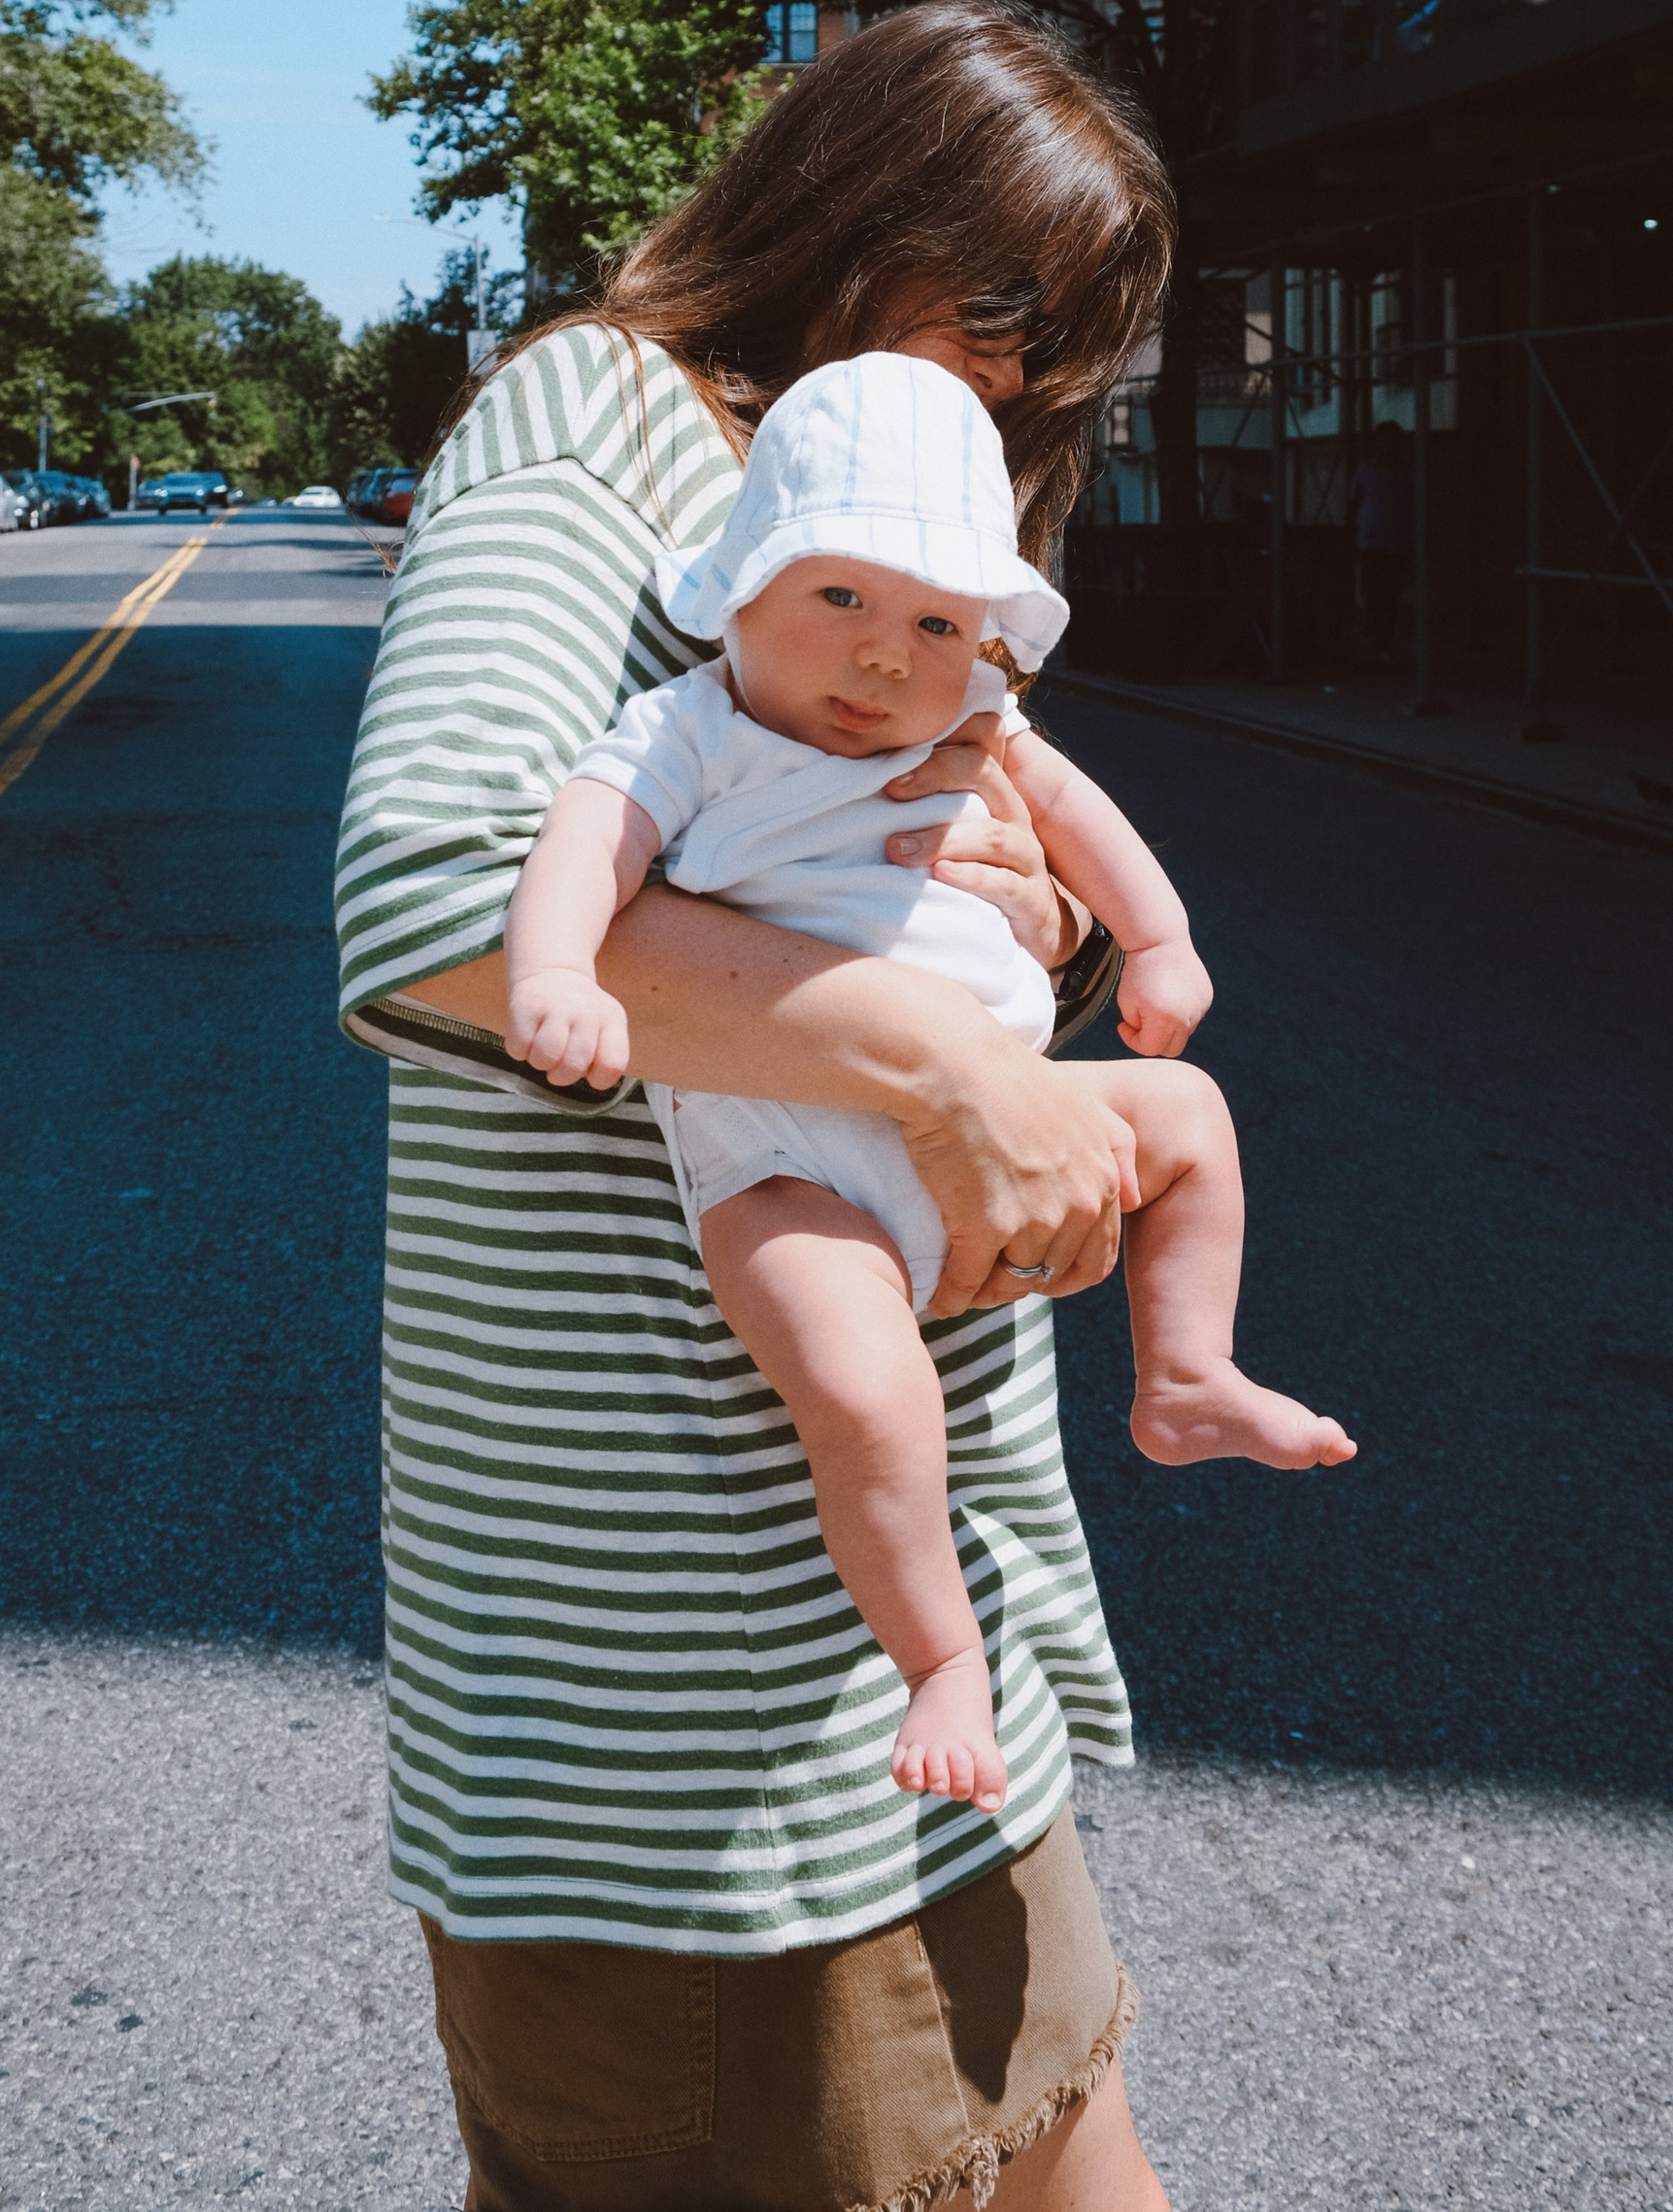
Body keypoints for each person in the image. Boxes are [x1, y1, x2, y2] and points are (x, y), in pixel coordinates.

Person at [335, 1, 1188, 2212]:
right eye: (1004, 302)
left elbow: (934, 876)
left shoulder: (845, 496)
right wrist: (944, 1067)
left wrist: (1038, 969)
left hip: (912, 1650)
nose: (1022, 380)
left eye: (1069, 348)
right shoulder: (596, 423)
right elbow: (432, 891)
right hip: (694, 1730)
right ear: (851, 209)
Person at [506, 352, 1354, 1817]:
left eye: (938, 620)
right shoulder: (689, 726)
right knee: (870, 1399)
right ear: (740, 589)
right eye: (840, 598)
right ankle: (941, 1658)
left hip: (1003, 1104)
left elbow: (1080, 814)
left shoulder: (979, 726)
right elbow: (582, 848)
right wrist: (560, 976)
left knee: (1193, 1117)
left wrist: (1153, 938)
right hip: (787, 1165)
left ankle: (1186, 1374)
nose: (887, 657)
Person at [1353, 421, 1411, 663]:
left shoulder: (1403, 472)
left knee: (1389, 593)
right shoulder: (1366, 470)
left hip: (1393, 538)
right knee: (1379, 592)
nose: (1386, 445)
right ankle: (1381, 642)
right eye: (1383, 440)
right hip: (1373, 538)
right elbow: (1354, 502)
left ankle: (1381, 639)